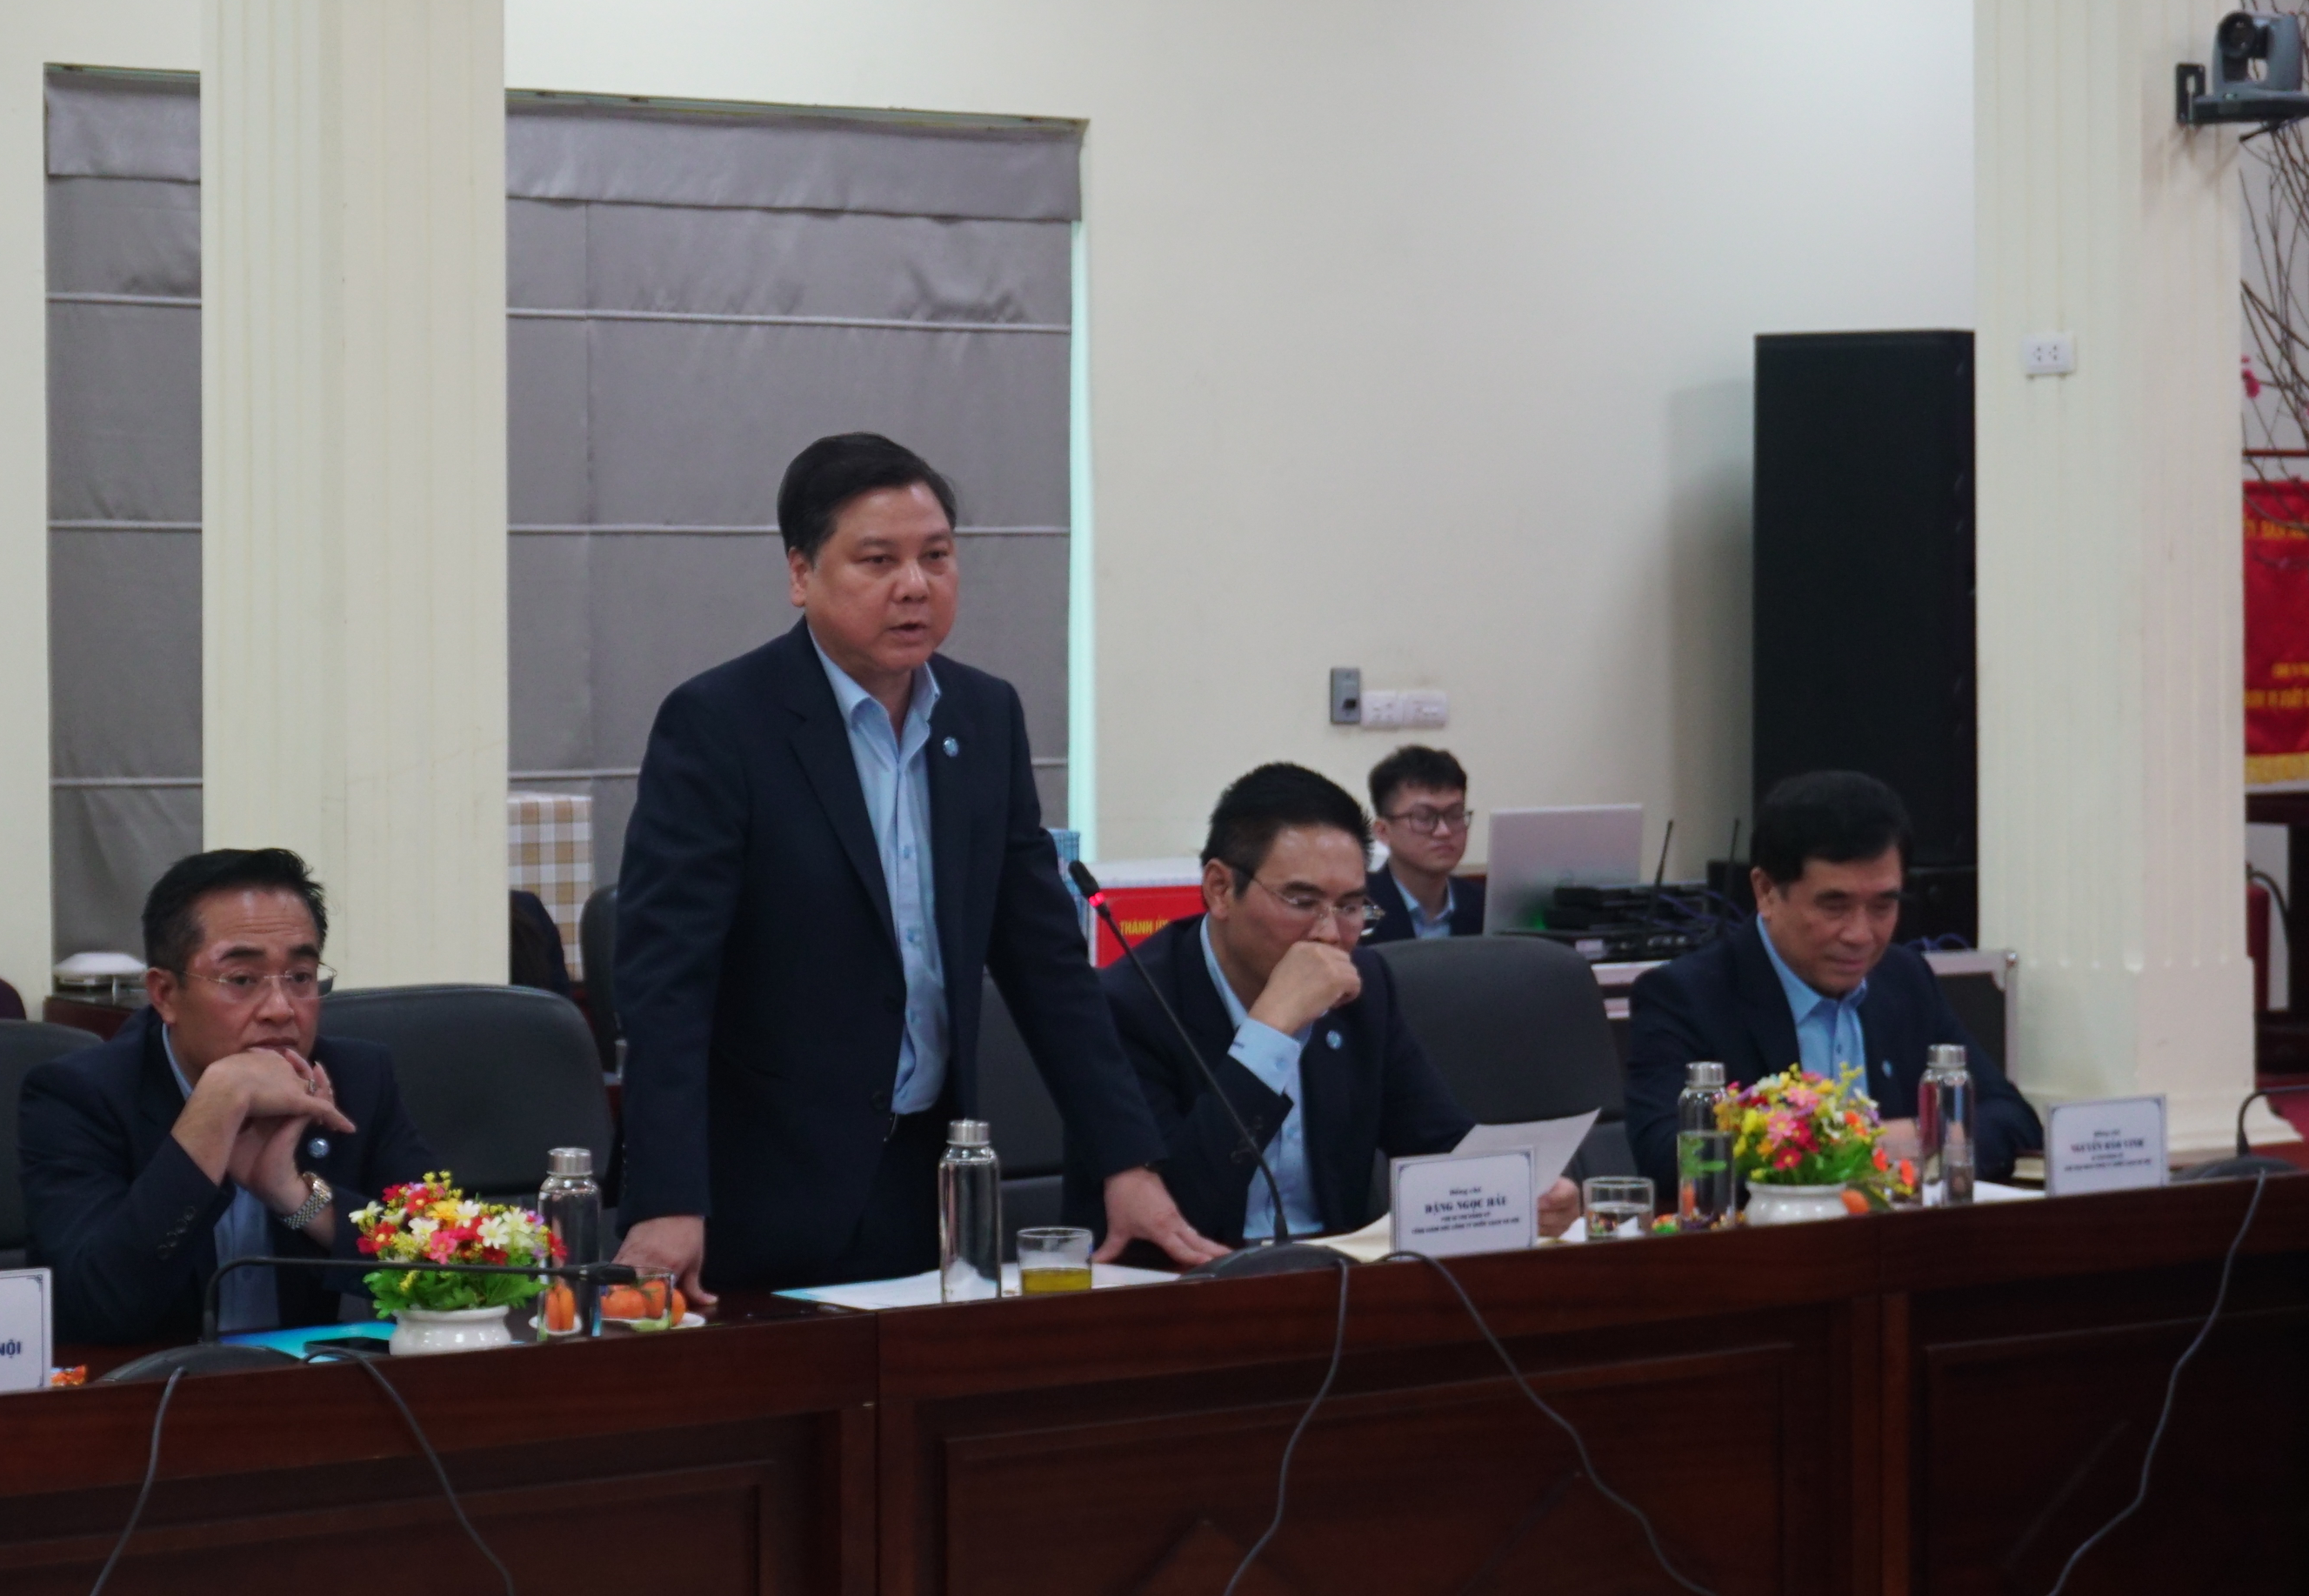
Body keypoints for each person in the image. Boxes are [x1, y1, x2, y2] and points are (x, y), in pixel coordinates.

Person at [613, 433, 1222, 1297]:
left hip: (932, 1186)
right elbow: (666, 984)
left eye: (936, 557)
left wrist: (1127, 1159)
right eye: (878, 560)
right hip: (759, 1193)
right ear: (801, 573)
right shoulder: (721, 724)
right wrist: (668, 1199)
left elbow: (1046, 963)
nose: (915, 585)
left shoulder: (984, 716)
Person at [1082, 764, 1583, 1248]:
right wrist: (1270, 1030)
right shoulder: (1128, 1006)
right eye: (1302, 902)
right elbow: (1174, 1215)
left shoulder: (1364, 987)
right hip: (1185, 1285)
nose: (1329, 934)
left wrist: (1522, 1191)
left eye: (1350, 907)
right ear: (1220, 890)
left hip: (1337, 1278)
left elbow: (1439, 1145)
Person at [21, 848, 437, 1343]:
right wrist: (214, 1110)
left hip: (312, 1382)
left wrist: (296, 1197)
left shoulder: (356, 1079)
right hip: (153, 1385)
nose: (281, 1009)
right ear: (165, 994)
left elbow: (452, 1274)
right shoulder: (80, 1097)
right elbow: (92, 1312)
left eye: (300, 977)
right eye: (242, 980)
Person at [1622, 771, 2040, 1197]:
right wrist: (1856, 1150)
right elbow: (1669, 1159)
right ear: (1766, 892)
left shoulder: (1904, 978)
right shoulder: (1686, 996)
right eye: (1834, 906)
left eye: (1882, 906)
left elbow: (2011, 1118)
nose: (1860, 934)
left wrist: (1916, 1140)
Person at [1361, 745, 1486, 942]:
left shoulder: (1485, 906)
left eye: (1455, 815)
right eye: (1423, 817)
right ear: (1383, 831)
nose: (1444, 831)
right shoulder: (1357, 910)